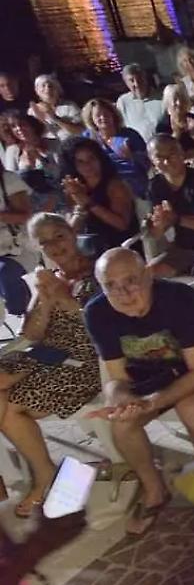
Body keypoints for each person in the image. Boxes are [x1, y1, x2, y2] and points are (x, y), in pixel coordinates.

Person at [84, 248, 194, 535]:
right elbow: (116, 377)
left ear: (148, 275)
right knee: (123, 423)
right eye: (111, 286)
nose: (123, 293)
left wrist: (150, 403)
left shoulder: (181, 300)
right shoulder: (97, 312)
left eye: (130, 281)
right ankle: (155, 490)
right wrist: (121, 399)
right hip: (152, 374)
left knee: (191, 407)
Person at [2, 213, 101, 518]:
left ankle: (43, 474)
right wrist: (44, 300)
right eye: (45, 242)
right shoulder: (47, 276)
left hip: (85, 359)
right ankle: (41, 472)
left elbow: (105, 327)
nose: (54, 246)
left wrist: (65, 298)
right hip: (45, 353)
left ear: (72, 232)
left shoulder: (99, 269)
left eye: (59, 235)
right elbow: (30, 334)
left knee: (5, 403)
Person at [144, 135, 194, 278]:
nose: (166, 161)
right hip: (181, 248)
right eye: (159, 157)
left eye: (171, 154)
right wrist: (157, 224)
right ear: (152, 161)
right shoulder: (155, 186)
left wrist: (176, 219)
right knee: (147, 274)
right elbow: (157, 233)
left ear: (181, 153)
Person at [59, 136, 139, 257]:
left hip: (122, 247)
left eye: (91, 158)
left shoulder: (114, 185)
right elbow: (72, 230)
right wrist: (79, 204)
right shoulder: (75, 187)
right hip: (91, 247)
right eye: (80, 162)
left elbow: (122, 225)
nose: (88, 165)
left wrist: (89, 203)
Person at [80, 98, 150, 198]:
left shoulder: (130, 134)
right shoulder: (88, 138)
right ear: (92, 119)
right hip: (106, 190)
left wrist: (132, 156)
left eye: (106, 114)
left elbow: (148, 163)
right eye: (98, 115)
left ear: (113, 114)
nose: (103, 117)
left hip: (135, 188)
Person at [2, 112, 61, 212]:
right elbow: (12, 182)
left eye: (22, 124)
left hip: (58, 196)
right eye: (14, 126)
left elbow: (60, 173)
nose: (19, 128)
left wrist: (41, 159)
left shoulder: (54, 144)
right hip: (32, 203)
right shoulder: (13, 151)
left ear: (33, 126)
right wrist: (28, 167)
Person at [0, 169, 33, 316]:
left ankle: (24, 318)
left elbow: (25, 216)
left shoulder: (7, 180)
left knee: (5, 272)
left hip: (17, 249)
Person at [115, 64, 165, 142]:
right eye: (131, 80)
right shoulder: (122, 102)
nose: (136, 84)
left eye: (140, 79)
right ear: (126, 83)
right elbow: (120, 128)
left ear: (145, 78)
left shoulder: (163, 96)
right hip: (141, 150)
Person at [27, 75, 82, 141]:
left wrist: (54, 117)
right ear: (37, 91)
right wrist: (40, 120)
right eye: (43, 86)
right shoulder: (32, 111)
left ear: (58, 90)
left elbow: (79, 130)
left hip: (69, 143)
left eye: (51, 86)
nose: (47, 89)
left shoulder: (69, 106)